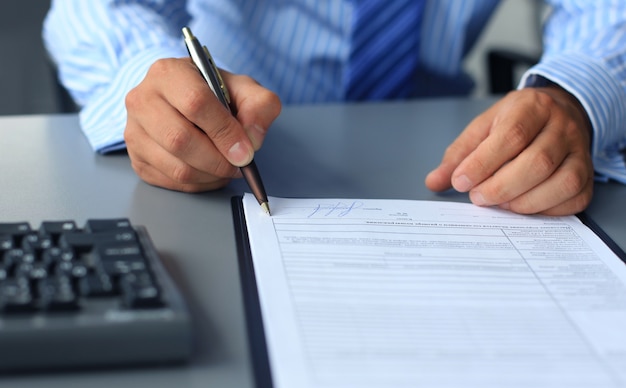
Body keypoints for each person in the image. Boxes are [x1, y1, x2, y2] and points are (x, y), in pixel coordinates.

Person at [43, 1, 626, 216]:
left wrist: (574, 91)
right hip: (226, 159)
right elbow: (90, 11)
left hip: (442, 158)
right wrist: (148, 76)